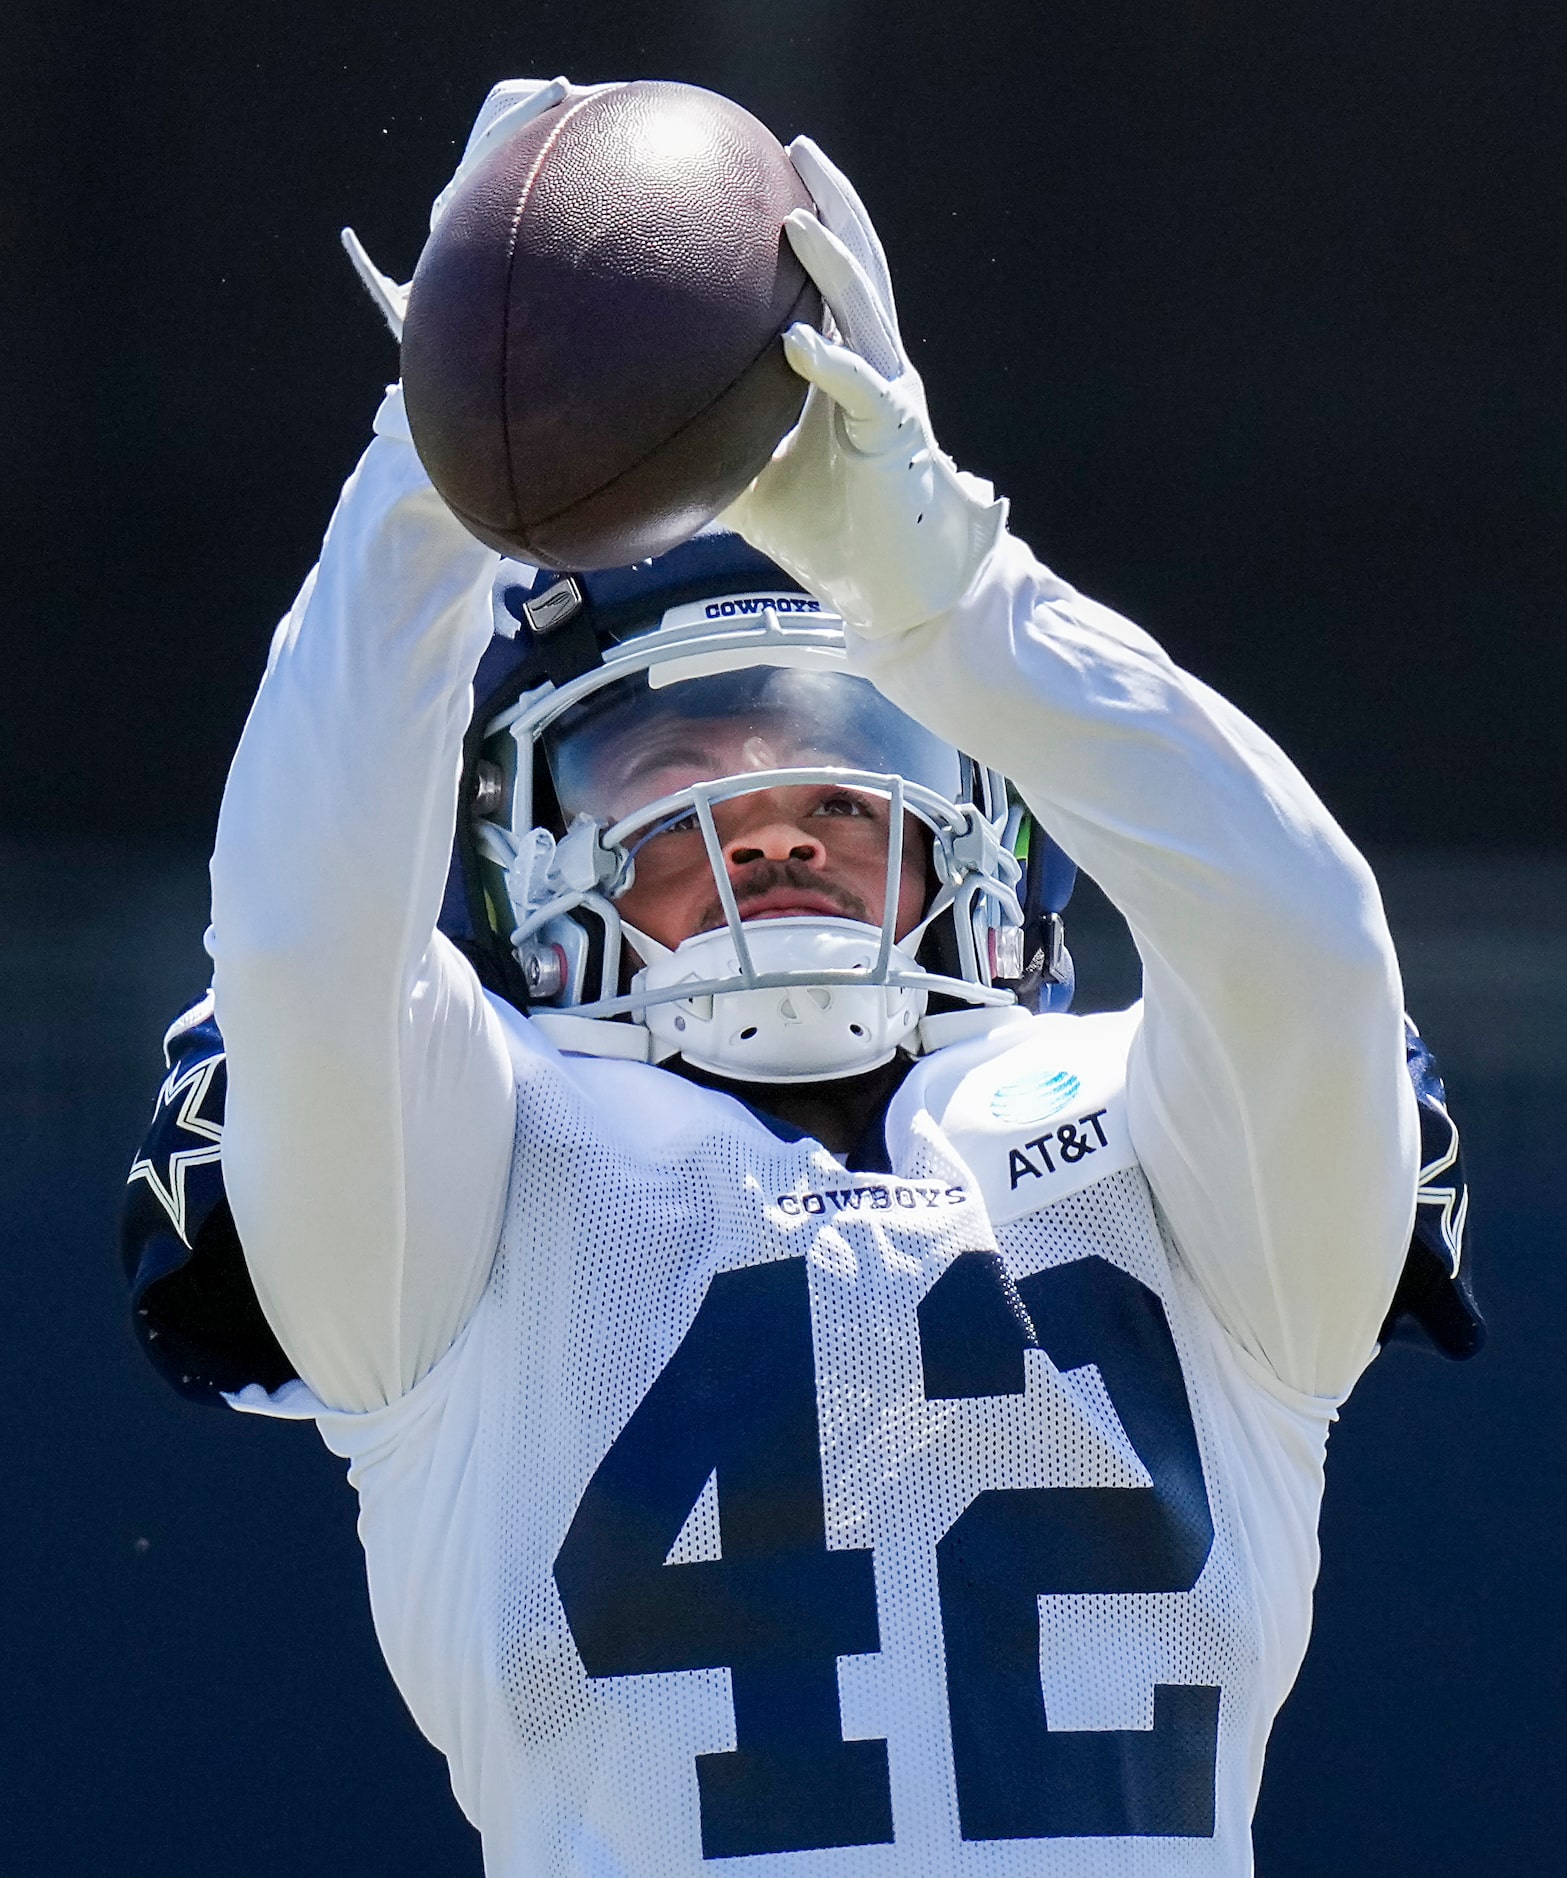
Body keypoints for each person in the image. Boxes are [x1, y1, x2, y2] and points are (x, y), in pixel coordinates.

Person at [122, 77, 1481, 1877]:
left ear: (986, 820)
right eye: (669, 789)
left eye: (842, 777)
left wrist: (943, 581)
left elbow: (1297, 931)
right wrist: (432, 466)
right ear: (526, 854)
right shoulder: (474, 1181)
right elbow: (305, 941)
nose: (767, 830)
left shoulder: (1162, 1142)